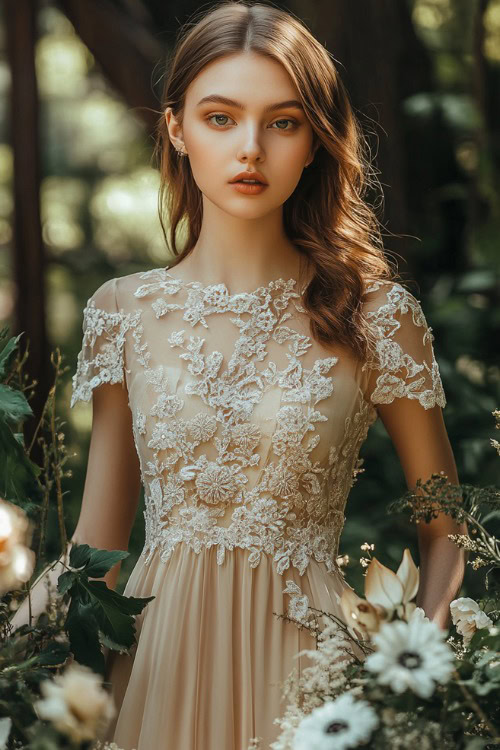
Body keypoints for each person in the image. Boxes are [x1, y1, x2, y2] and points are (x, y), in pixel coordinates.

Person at [11, 2, 467, 748]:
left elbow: (445, 530)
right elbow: (96, 548)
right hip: (154, 672)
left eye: (283, 122)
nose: (250, 148)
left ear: (316, 139)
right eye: (220, 118)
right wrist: (13, 642)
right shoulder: (122, 311)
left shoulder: (379, 316)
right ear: (176, 128)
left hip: (314, 680)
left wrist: (411, 672)